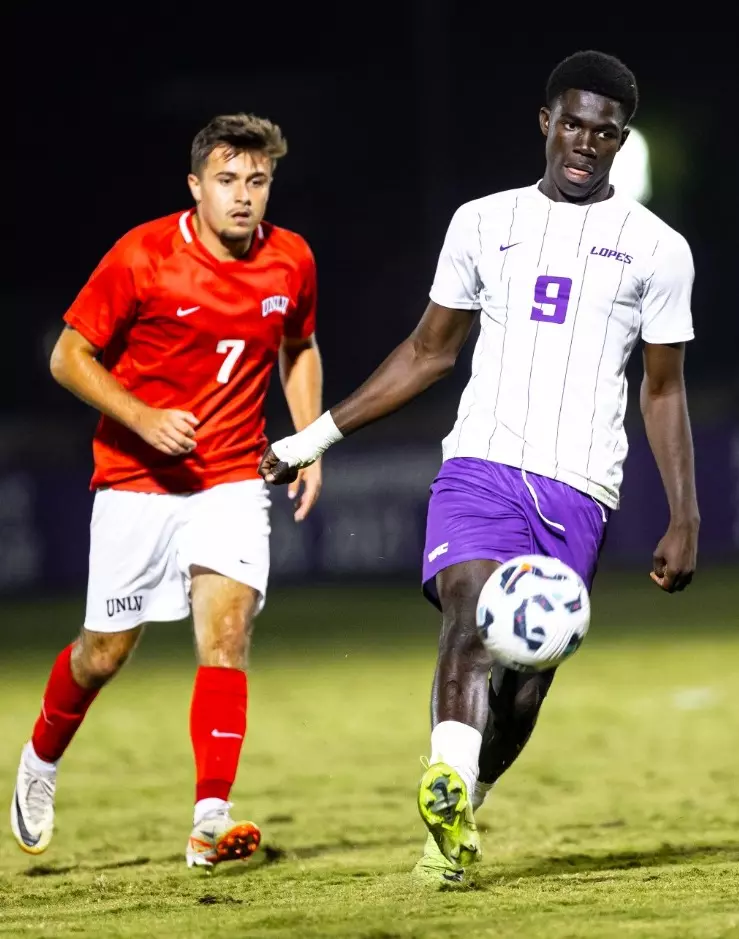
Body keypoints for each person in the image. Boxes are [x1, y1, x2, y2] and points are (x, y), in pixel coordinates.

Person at [258, 50, 700, 884]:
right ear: (546, 122)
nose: (585, 142)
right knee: (469, 614)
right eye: (572, 123)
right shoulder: (481, 222)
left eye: (604, 132)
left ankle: (464, 804)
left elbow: (663, 388)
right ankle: (447, 781)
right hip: (479, 465)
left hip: (578, 486)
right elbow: (427, 353)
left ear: (620, 139)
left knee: (525, 686)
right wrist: (309, 438)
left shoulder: (657, 250)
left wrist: (685, 514)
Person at [11, 113, 324, 869]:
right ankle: (40, 761)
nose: (243, 196)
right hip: (136, 481)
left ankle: (210, 820)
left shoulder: (290, 259)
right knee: (103, 655)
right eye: (227, 180)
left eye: (257, 181)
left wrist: (309, 441)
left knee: (227, 634)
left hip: (232, 477)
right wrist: (143, 417)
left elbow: (299, 346)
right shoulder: (144, 255)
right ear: (195, 186)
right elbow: (67, 356)